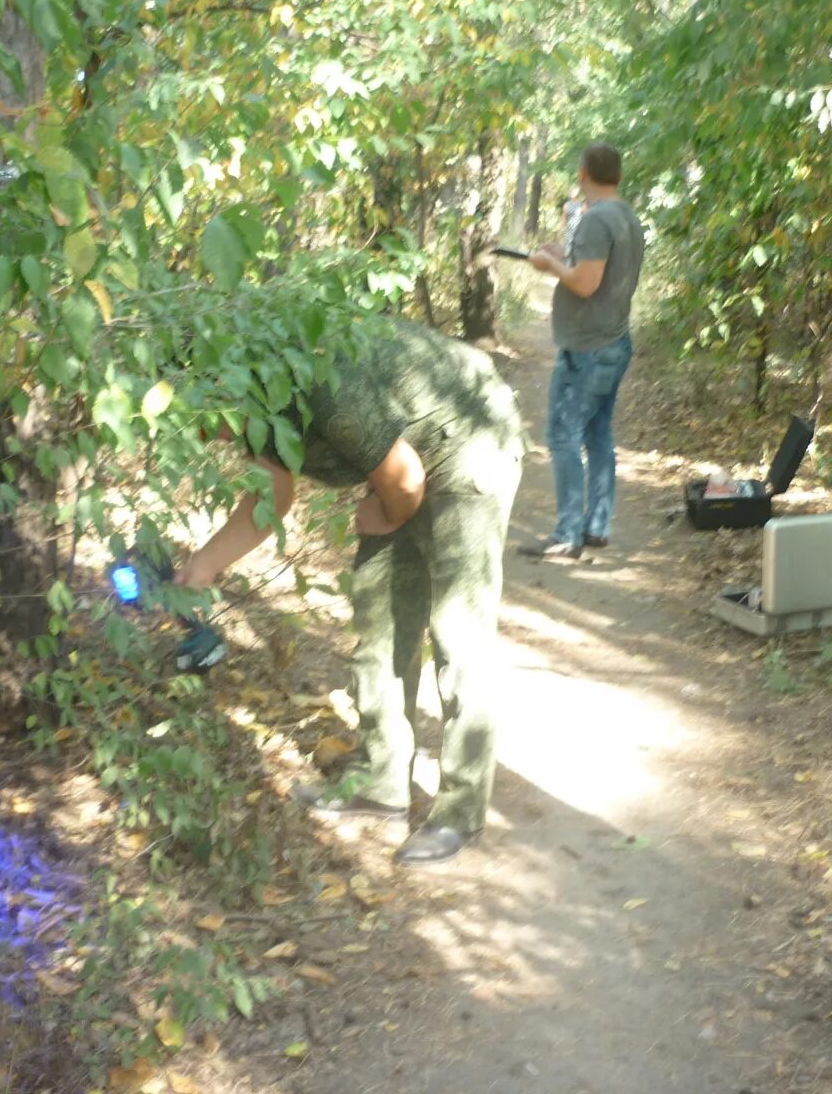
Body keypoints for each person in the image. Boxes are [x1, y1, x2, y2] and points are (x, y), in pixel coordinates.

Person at [174, 318, 525, 866]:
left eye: (201, 425)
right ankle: (379, 784)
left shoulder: (319, 380)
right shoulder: (258, 394)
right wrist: (200, 568)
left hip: (471, 438)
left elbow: (405, 479)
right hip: (409, 455)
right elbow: (272, 499)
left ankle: (460, 815)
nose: (205, 437)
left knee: (458, 630)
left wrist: (387, 511)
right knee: (380, 616)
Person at [520, 142, 646, 560]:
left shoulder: (597, 219)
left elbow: (587, 284)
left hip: (589, 347)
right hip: (612, 340)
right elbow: (596, 271)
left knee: (562, 436)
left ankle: (567, 535)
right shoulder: (627, 216)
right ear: (619, 176)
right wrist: (563, 256)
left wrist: (549, 266)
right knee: (597, 433)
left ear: (582, 174)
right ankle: (596, 527)